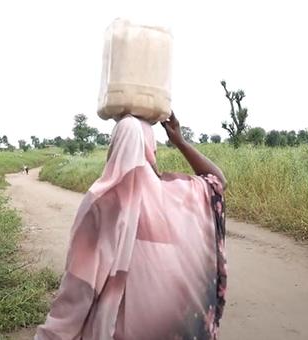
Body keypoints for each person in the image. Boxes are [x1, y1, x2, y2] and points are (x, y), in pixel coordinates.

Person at [35, 112, 227, 340]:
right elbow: (217, 181)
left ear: (114, 147)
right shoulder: (178, 194)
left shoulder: (101, 202)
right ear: (150, 150)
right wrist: (180, 142)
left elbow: (80, 287)